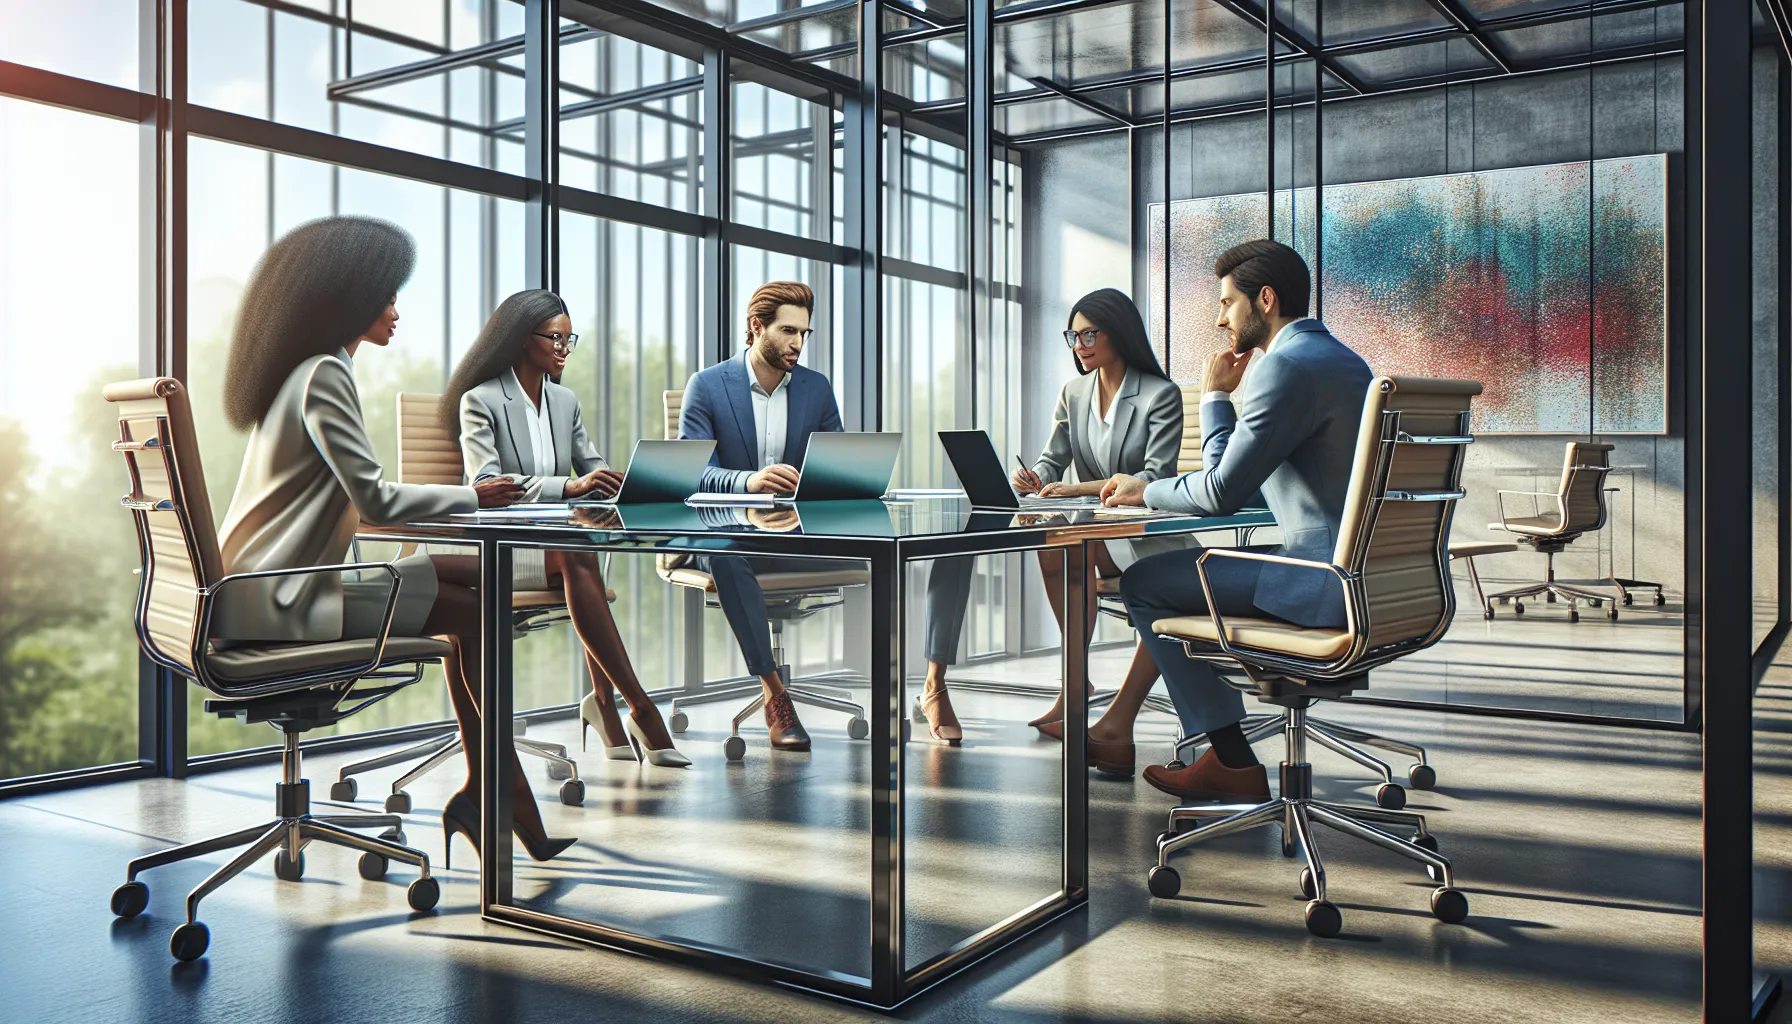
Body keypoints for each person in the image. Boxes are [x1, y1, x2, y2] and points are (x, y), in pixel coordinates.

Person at [213, 216, 574, 867]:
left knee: (477, 591)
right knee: (477, 607)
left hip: (257, 591)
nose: (395, 310)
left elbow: (357, 498)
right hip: (284, 600)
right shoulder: (324, 374)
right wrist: (477, 497)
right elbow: (374, 500)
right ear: (350, 297)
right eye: (386, 295)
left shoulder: (301, 373)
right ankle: (501, 790)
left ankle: (493, 787)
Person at [1100, 239, 1372, 803]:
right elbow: (1240, 479)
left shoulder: (1285, 367)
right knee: (1179, 573)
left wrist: (1148, 487)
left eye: (1227, 302)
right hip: (1365, 578)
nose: (1220, 318)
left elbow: (1221, 491)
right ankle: (1221, 753)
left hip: (1320, 581)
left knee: (1144, 582)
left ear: (1264, 299)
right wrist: (1221, 405)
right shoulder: (1349, 362)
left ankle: (1230, 759)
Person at [918, 288, 1186, 758]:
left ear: (1117, 333)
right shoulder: (1074, 393)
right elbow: (1051, 460)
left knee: (1073, 545)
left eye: (1089, 334)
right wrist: (1034, 478)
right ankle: (1075, 680)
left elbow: (1155, 477)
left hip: (1144, 535)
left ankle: (1089, 697)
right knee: (1053, 545)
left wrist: (1075, 490)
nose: (1079, 345)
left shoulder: (1159, 395)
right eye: (1073, 336)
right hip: (1095, 528)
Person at [445, 289, 690, 770]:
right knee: (578, 555)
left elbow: (591, 466)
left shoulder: (564, 402)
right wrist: (569, 486)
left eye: (569, 339)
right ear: (522, 338)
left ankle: (606, 706)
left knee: (578, 552)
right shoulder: (481, 400)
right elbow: (487, 483)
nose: (564, 349)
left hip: (552, 546)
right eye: (554, 338)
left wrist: (621, 483)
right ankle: (639, 707)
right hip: (495, 550)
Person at [679, 280, 854, 752]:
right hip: (727, 534)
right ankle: (775, 692)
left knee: (879, 554)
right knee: (725, 553)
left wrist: (821, 483)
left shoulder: (816, 388)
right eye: (788, 331)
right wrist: (749, 482)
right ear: (757, 327)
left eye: (805, 333)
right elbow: (692, 472)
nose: (798, 343)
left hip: (794, 534)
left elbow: (836, 465)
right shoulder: (708, 385)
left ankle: (903, 693)